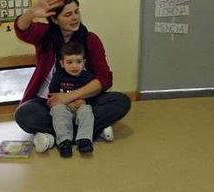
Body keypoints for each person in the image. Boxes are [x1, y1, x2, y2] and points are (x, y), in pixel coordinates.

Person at [13, 0, 131, 152]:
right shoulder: (45, 34)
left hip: (84, 101)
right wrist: (31, 13)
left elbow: (104, 79)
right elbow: (22, 30)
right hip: (49, 102)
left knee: (120, 101)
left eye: (76, 12)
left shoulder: (90, 39)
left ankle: (54, 136)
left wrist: (69, 97)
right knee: (24, 114)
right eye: (68, 14)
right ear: (55, 19)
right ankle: (89, 132)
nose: (75, 18)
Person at [48, 41, 95, 157]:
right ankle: (64, 142)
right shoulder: (58, 76)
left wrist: (84, 101)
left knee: (87, 110)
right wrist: (66, 103)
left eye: (78, 62)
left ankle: (84, 140)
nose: (74, 66)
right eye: (69, 62)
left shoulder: (88, 77)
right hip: (64, 108)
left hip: (80, 108)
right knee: (58, 109)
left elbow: (95, 96)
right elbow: (52, 96)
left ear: (84, 62)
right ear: (62, 63)